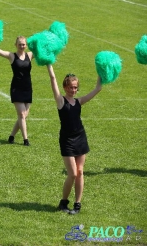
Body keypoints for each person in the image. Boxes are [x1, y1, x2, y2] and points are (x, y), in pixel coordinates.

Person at [46, 64, 102, 214]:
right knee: (72, 174)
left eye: (75, 88)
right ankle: (63, 202)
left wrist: (101, 72)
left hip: (80, 138)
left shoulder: (79, 101)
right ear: (65, 87)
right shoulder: (60, 101)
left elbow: (97, 89)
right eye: (71, 87)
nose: (73, 90)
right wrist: (48, 63)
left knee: (80, 171)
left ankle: (77, 204)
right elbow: (52, 79)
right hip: (67, 140)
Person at [0, 36, 34, 146]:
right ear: (15, 45)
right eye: (20, 44)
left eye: (23, 44)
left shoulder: (30, 55)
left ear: (26, 45)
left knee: (23, 116)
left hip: (28, 88)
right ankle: (26, 140)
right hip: (16, 88)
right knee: (22, 114)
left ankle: (11, 136)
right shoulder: (11, 56)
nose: (22, 46)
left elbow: (42, 50)